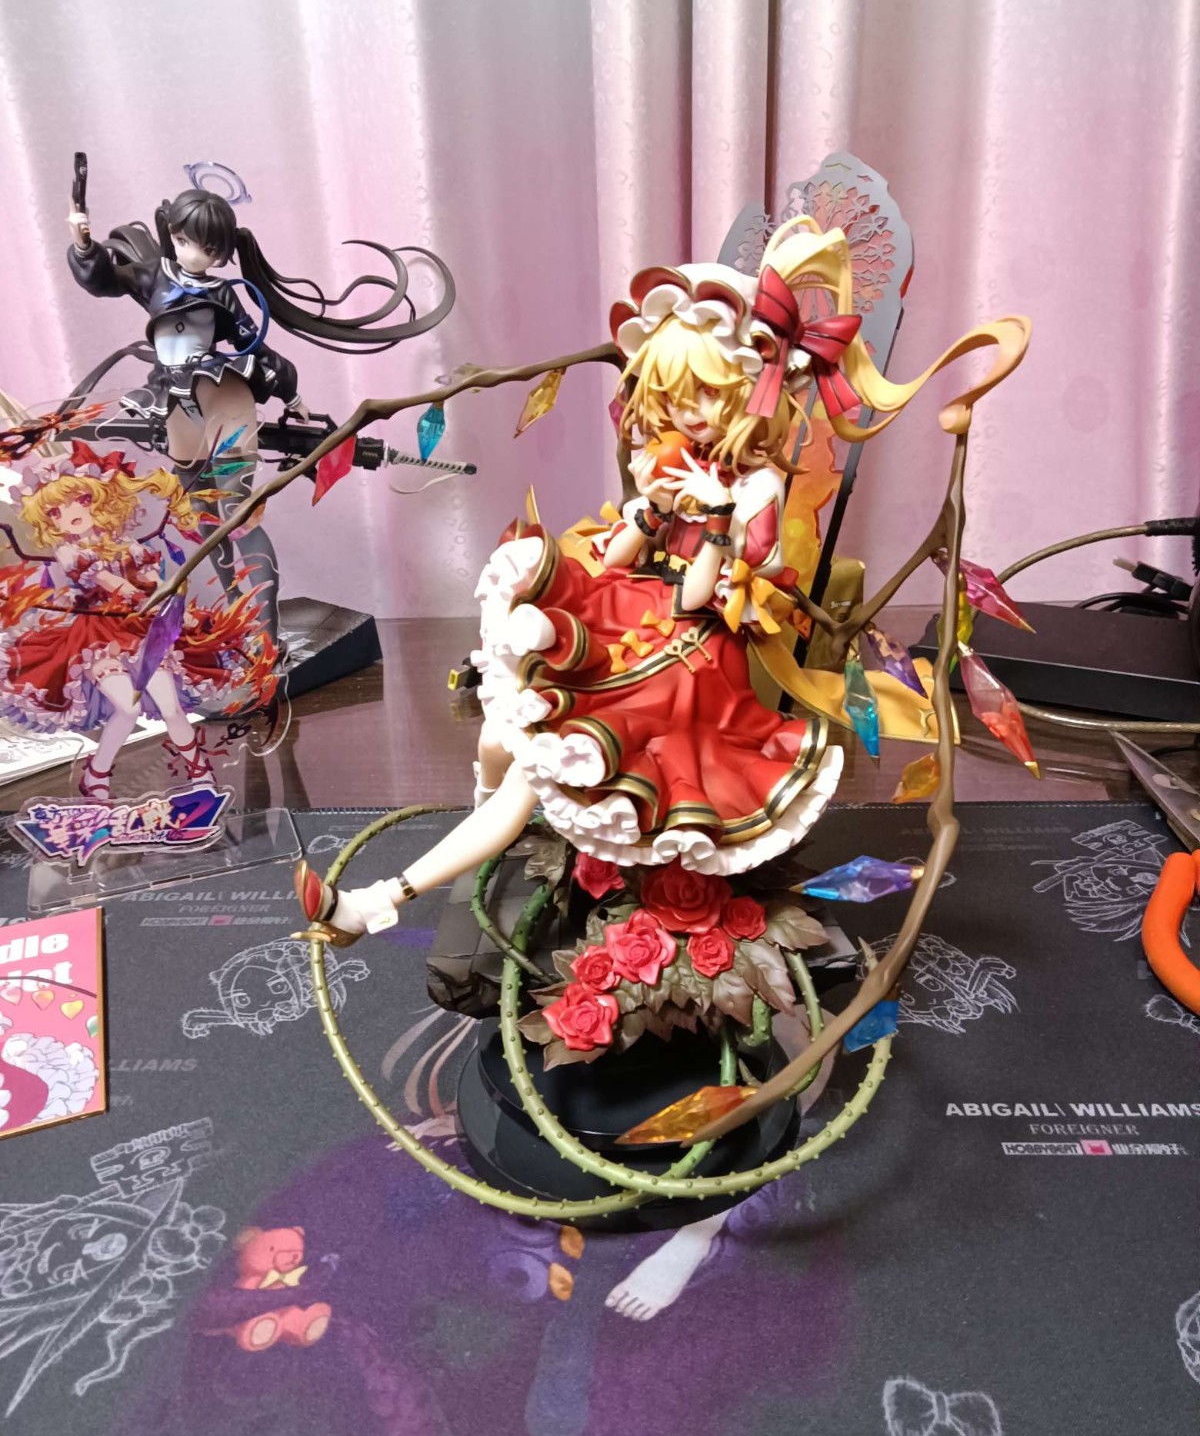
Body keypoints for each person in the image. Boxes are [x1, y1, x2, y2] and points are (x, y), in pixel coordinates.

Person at [293, 214, 985, 944]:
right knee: (501, 738)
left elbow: (701, 596)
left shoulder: (756, 489)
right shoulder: (671, 462)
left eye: (705, 394)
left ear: (747, 391)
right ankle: (485, 844)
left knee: (531, 768)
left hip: (695, 659)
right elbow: (617, 559)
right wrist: (651, 507)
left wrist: (713, 516)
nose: (688, 412)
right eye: (675, 395)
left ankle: (377, 902)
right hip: (630, 612)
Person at [67, 185, 454, 643]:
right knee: (200, 510)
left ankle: (268, 637)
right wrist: (84, 245)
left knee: (237, 510)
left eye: (207, 249)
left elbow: (255, 345)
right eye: (185, 240)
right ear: (171, 232)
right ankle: (238, 614)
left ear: (221, 254)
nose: (193, 254)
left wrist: (292, 395)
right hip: (174, 399)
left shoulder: (223, 293)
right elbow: (104, 280)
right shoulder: (152, 275)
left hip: (222, 394)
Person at [0, 442, 277, 800]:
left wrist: (176, 606)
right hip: (97, 639)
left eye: (81, 500)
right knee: (127, 709)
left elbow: (155, 584)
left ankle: (200, 775)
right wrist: (150, 598)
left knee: (171, 707)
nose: (71, 513)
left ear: (100, 498)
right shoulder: (70, 552)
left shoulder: (128, 545)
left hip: (143, 632)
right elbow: (112, 584)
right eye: (55, 511)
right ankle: (97, 776)